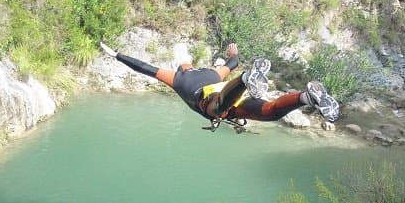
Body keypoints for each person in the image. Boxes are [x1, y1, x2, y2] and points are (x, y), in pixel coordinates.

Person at [100, 41, 340, 125]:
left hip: (212, 103)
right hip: (233, 97)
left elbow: (145, 68)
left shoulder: (177, 78)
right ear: (191, 62)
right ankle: (306, 97)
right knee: (270, 112)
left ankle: (247, 79)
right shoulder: (213, 71)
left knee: (221, 105)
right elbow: (233, 62)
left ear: (179, 65)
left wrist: (117, 55)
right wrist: (233, 53)